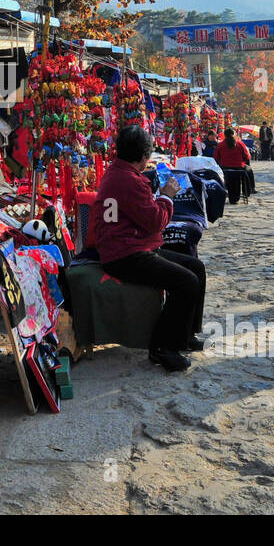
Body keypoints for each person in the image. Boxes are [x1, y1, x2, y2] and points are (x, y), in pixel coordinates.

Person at [88, 125, 207, 372]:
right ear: (143, 157)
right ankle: (164, 347)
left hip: (130, 246)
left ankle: (185, 334)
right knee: (186, 282)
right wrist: (167, 196)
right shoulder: (128, 180)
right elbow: (155, 222)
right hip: (126, 254)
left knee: (196, 267)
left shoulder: (117, 173)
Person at [214, 128, 252, 204]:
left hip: (224, 169)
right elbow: (247, 157)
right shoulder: (240, 144)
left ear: (224, 136)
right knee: (249, 170)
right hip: (239, 169)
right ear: (234, 135)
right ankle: (248, 190)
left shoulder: (220, 145)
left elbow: (216, 158)